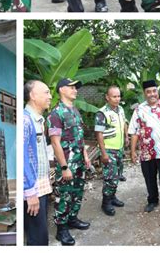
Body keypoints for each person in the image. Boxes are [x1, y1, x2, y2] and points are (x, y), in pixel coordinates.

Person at [47, 78, 91, 246]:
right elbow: (55, 142)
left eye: (76, 87)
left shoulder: (75, 111)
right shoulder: (55, 113)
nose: (75, 90)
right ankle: (61, 229)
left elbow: (80, 136)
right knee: (64, 195)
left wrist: (86, 155)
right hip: (67, 163)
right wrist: (64, 166)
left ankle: (72, 218)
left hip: (79, 161)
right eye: (71, 87)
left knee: (77, 192)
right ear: (61, 90)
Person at [129, 79, 160, 212]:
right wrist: (132, 152)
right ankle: (152, 200)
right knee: (149, 178)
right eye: (148, 92)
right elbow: (134, 131)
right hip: (146, 152)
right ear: (144, 93)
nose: (152, 94)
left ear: (157, 91)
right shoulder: (139, 109)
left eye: (154, 91)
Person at [23, 80, 53, 246]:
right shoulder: (26, 121)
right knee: (37, 238)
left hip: (40, 186)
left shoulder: (38, 120)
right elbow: (23, 158)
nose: (50, 96)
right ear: (33, 95)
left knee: (41, 234)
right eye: (46, 92)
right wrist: (29, 191)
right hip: (33, 189)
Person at [95, 86, 128, 216]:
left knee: (117, 175)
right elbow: (98, 133)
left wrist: (126, 137)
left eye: (119, 96)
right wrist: (103, 153)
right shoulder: (102, 113)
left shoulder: (120, 109)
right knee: (110, 178)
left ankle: (112, 197)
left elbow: (124, 123)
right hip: (109, 150)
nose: (117, 99)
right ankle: (106, 202)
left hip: (119, 149)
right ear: (107, 97)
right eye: (114, 96)